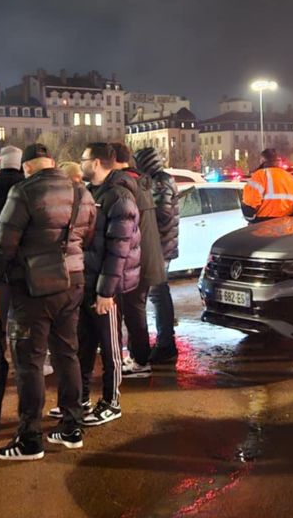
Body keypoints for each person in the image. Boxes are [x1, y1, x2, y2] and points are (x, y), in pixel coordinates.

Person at [0, 143, 95, 460]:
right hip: (73, 282)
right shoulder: (80, 192)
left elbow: (3, 243)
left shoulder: (23, 192)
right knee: (67, 353)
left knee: (29, 362)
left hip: (33, 289)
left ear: (28, 167)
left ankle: (30, 437)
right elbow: (86, 236)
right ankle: (72, 427)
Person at [77, 142, 141, 427]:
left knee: (110, 346)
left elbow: (119, 249)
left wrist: (105, 292)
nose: (81, 163)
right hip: (87, 282)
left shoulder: (119, 197)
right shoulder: (93, 192)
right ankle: (80, 399)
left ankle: (111, 402)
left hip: (106, 288)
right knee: (85, 344)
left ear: (98, 162)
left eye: (85, 158)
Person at [110, 143, 165, 378]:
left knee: (133, 311)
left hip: (135, 259)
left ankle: (141, 360)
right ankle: (138, 357)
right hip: (148, 256)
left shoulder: (122, 185)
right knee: (136, 309)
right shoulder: (141, 181)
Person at [134, 147, 181, 364]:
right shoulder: (158, 180)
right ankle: (164, 341)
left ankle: (166, 344)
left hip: (159, 246)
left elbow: (162, 214)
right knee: (157, 293)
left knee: (158, 293)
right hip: (161, 244)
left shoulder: (159, 182)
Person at [241, 148, 293, 222]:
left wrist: (250, 219)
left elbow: (250, 204)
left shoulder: (260, 175)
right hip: (287, 223)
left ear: (262, 161)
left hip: (264, 224)